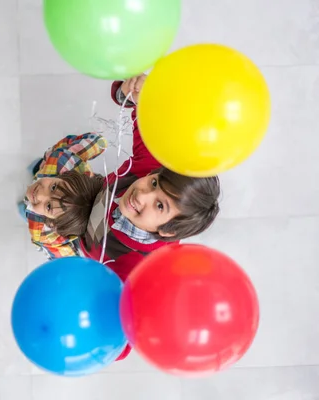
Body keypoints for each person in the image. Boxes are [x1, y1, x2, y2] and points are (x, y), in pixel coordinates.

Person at [22, 75, 221, 360]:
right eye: (153, 184)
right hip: (91, 202)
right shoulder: (149, 168)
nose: (142, 194)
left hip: (86, 243)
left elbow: (124, 340)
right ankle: (39, 199)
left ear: (165, 231)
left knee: (48, 223)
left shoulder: (139, 268)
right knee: (49, 193)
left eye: (160, 206)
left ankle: (39, 209)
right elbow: (142, 118)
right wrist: (130, 92)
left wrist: (95, 333)